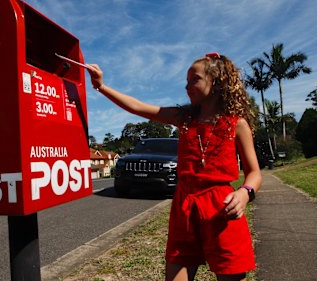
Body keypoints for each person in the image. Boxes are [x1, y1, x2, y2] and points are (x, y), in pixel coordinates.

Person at [85, 52, 262, 281]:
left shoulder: (236, 124)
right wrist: (101, 86)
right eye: (186, 81)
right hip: (185, 206)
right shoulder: (184, 118)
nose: (187, 86)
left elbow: (254, 172)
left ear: (218, 82)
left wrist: (245, 193)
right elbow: (138, 107)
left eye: (194, 79)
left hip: (221, 208)